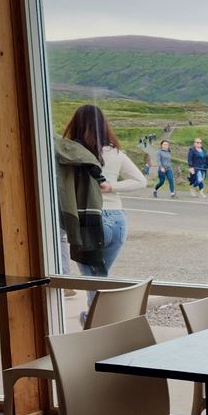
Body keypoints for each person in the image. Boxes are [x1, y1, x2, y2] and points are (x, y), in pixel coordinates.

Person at [62, 104, 146, 325]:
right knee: (101, 277)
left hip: (90, 221)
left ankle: (95, 322)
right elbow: (141, 181)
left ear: (76, 124)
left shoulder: (72, 153)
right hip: (118, 221)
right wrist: (112, 186)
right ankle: (96, 320)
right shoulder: (115, 153)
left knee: (94, 279)